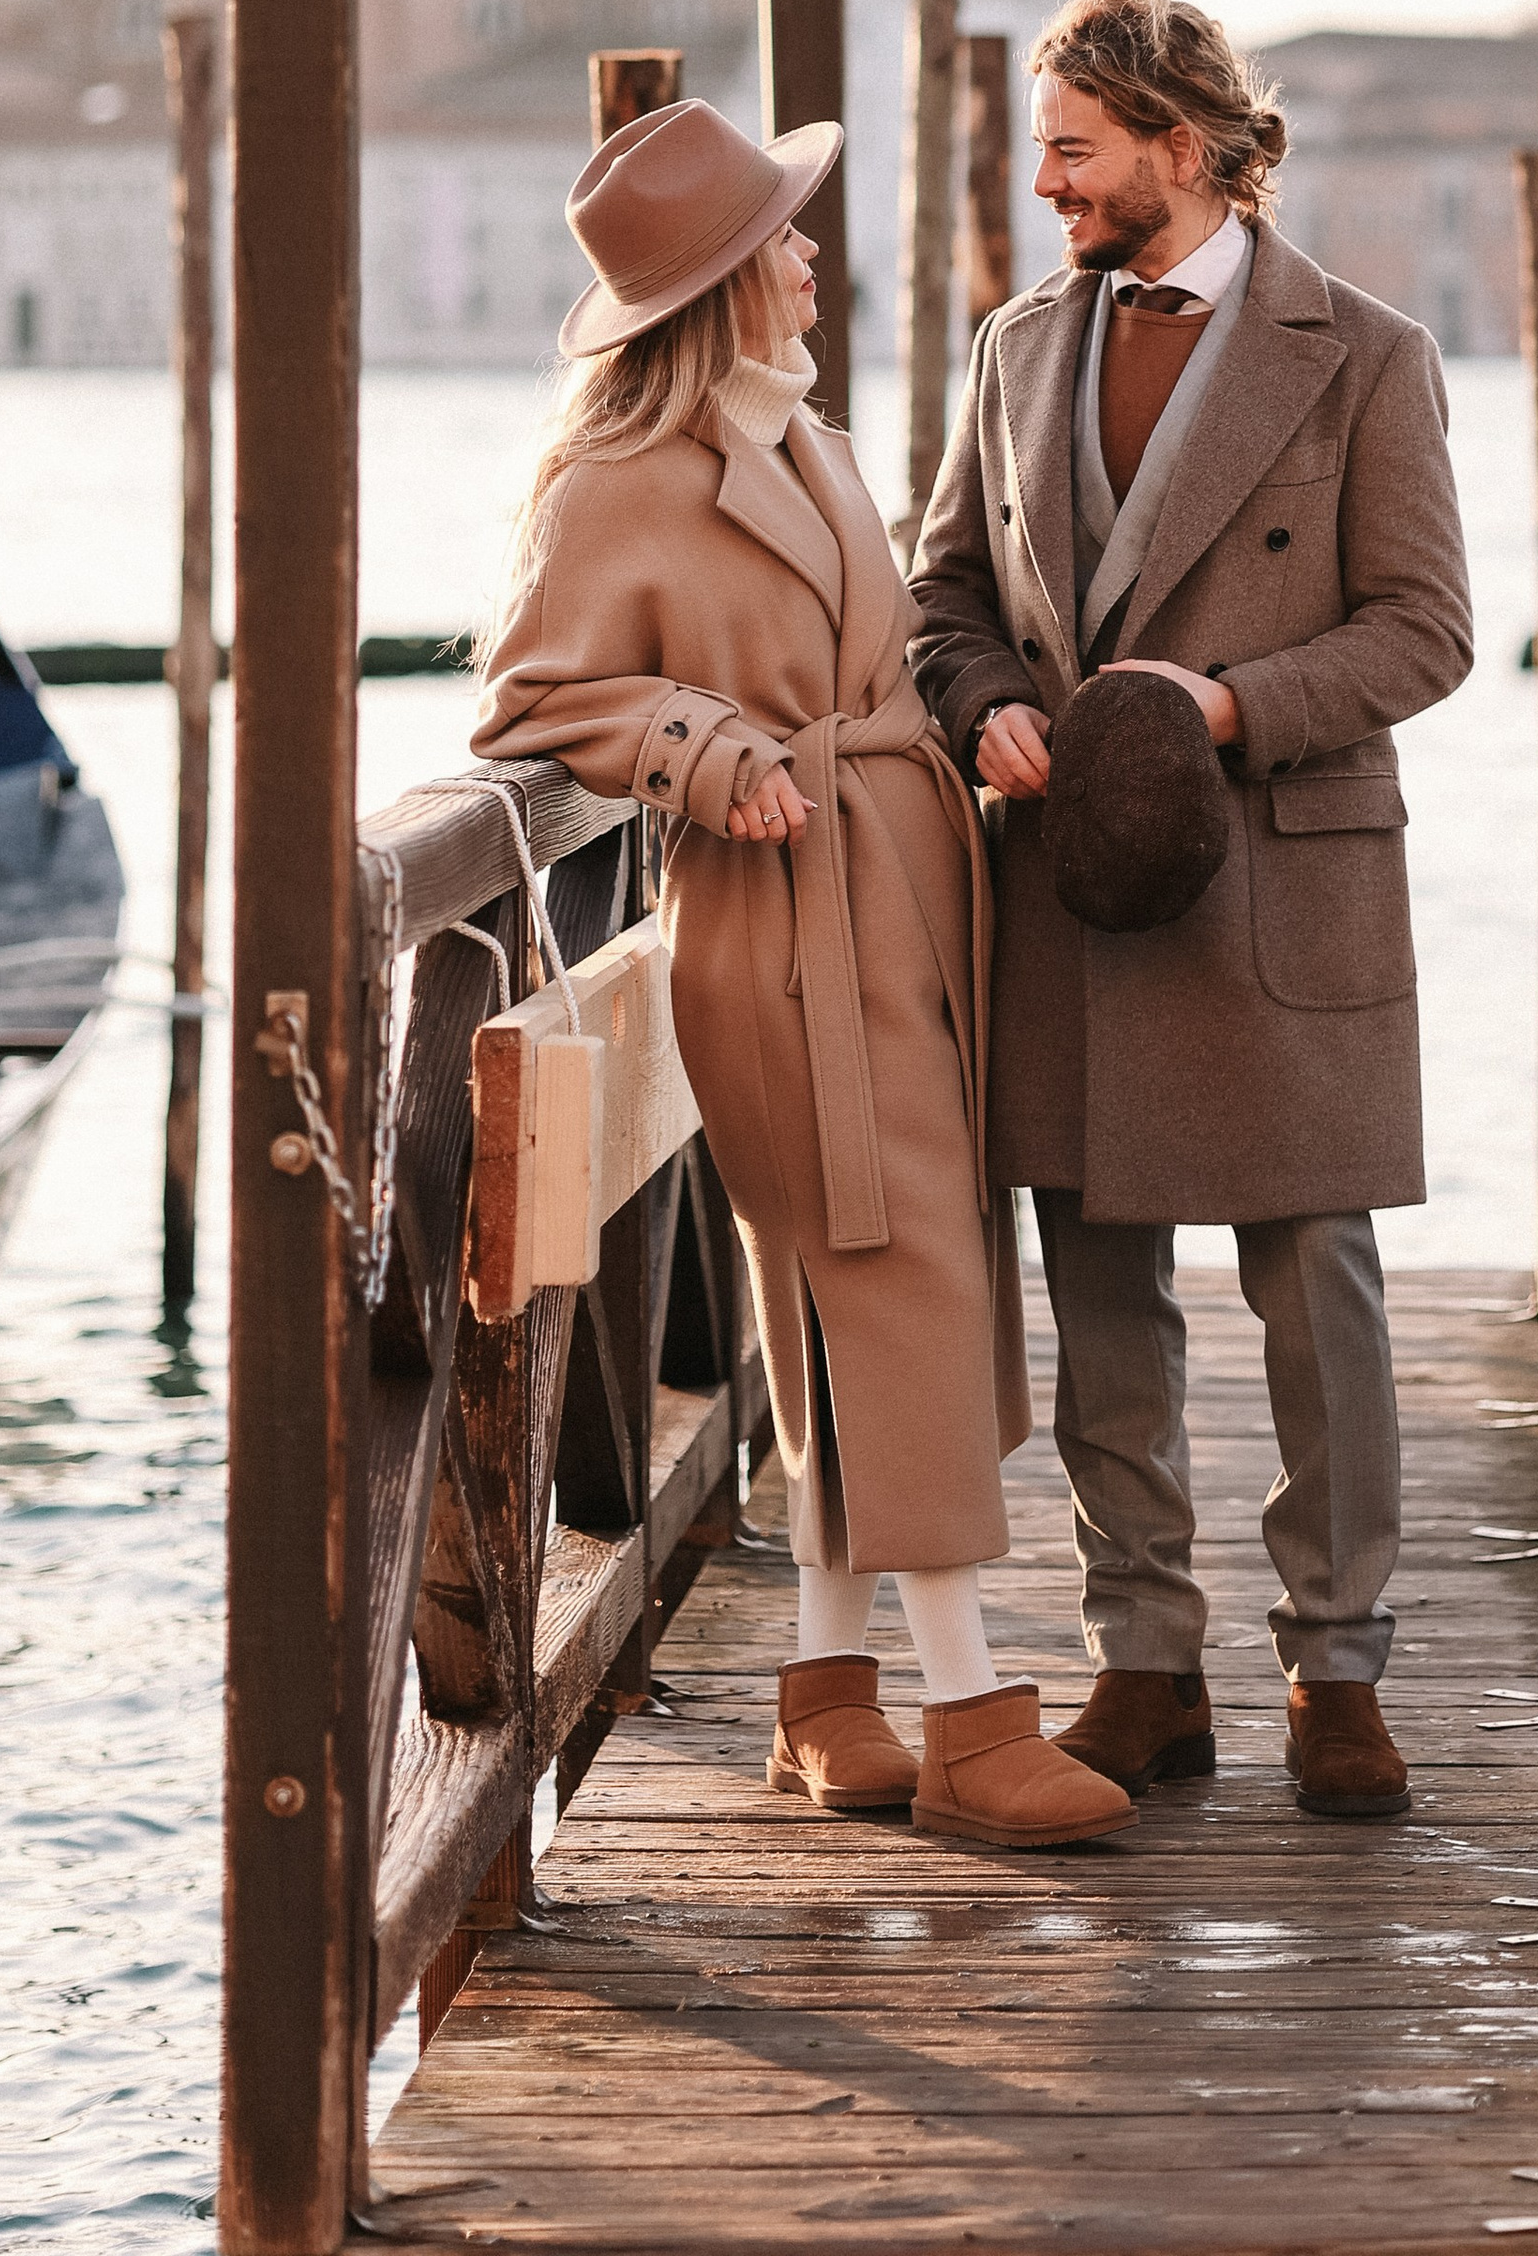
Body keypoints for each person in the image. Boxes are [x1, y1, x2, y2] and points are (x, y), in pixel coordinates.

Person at [472, 97, 1130, 1854]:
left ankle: (827, 1694)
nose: (815, 250)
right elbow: (530, 704)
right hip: (777, 934)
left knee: (861, 1289)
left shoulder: (809, 435)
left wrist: (974, 725)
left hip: (907, 885)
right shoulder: (617, 481)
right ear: (720, 284)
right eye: (785, 232)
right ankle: (975, 1716)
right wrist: (701, 745)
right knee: (890, 1276)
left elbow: (894, 639)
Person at [909, 0, 1473, 1823]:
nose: (1049, 180)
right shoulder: (1010, 351)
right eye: (1044, 150)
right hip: (1071, 888)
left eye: (1075, 147)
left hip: (1278, 880)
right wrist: (988, 705)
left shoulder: (1365, 353)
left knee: (1319, 1287)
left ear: (1185, 143)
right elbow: (945, 600)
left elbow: (1426, 631)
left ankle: (1341, 1672)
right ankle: (1144, 1668)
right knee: (1100, 1289)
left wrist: (1219, 715)